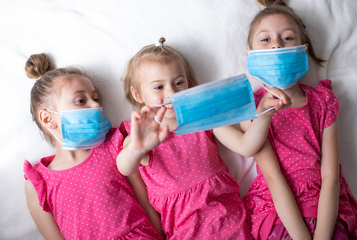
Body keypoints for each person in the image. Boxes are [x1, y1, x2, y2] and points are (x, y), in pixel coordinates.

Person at [117, 37, 290, 239]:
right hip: (185, 230)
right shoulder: (141, 134)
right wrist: (136, 149)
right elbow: (124, 166)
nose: (171, 92)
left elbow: (246, 146)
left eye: (179, 83)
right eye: (158, 87)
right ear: (138, 94)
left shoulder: (203, 119)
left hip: (228, 220)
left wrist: (264, 113)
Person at [242, 1, 357, 239]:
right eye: (265, 40)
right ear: (249, 52)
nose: (276, 45)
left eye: (287, 38)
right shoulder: (251, 109)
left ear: (303, 50)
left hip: (326, 206)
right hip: (276, 211)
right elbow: (274, 179)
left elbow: (331, 175)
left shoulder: (323, 101)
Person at [23, 53, 164, 239]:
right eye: (81, 101)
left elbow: (146, 203)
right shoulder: (39, 183)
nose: (95, 106)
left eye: (96, 99)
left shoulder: (116, 147)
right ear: (48, 118)